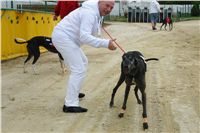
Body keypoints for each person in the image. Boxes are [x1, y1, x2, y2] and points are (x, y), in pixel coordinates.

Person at [52, 0, 117, 113]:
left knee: (83, 62)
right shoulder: (90, 13)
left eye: (111, 7)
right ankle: (70, 104)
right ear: (99, 2)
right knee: (78, 68)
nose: (108, 9)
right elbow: (84, 37)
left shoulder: (94, 12)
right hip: (63, 38)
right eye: (107, 5)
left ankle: (74, 93)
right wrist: (106, 43)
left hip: (66, 38)